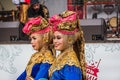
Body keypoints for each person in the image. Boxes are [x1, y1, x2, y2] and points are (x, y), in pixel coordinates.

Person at [49, 10, 86, 80]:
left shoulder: (71, 65)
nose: (55, 41)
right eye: (54, 38)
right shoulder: (61, 57)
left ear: (69, 40)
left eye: (58, 38)